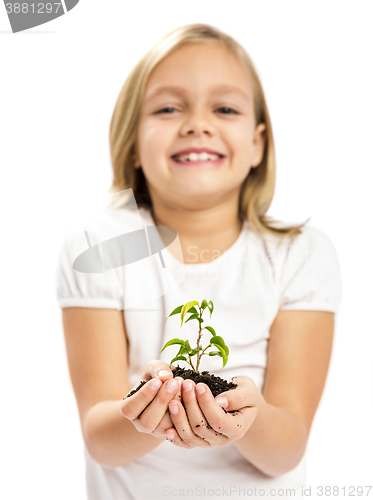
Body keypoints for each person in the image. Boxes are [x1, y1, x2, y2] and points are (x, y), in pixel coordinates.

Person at [56, 23, 342, 499]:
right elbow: (100, 440)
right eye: (168, 108)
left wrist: (250, 420)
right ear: (132, 144)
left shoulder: (300, 254)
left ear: (257, 143)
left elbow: (288, 446)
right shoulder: (99, 248)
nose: (196, 123)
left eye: (225, 108)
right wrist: (147, 411)